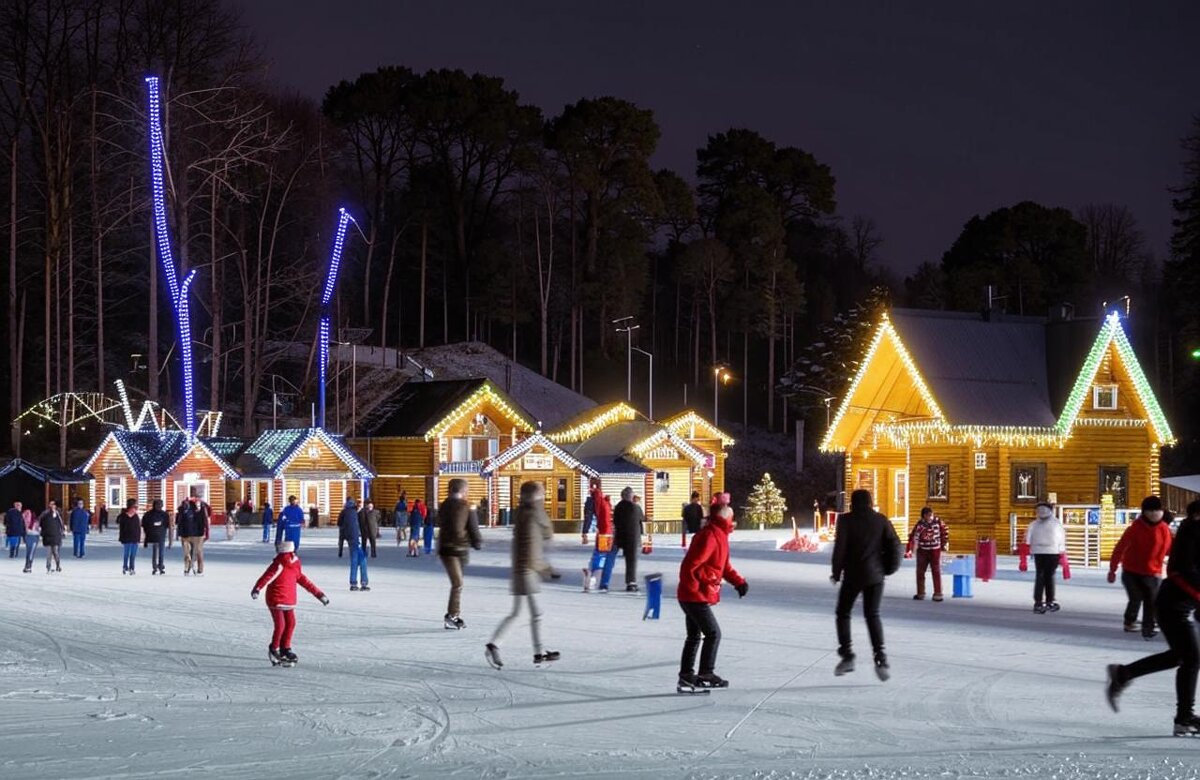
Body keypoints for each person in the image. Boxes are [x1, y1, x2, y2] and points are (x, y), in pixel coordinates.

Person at [1106, 499, 1200, 737]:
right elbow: (1180, 572)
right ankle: (1184, 718)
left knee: (1181, 657)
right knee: (1190, 659)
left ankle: (1123, 674)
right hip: (1172, 604)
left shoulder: (1184, 531)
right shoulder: (1190, 533)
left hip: (1180, 603)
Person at [486, 481, 560, 669]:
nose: (544, 497)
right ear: (535, 497)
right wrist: (546, 568)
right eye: (542, 494)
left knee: (519, 613)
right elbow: (531, 548)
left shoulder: (525, 514)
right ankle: (535, 651)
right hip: (527, 569)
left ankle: (499, 646)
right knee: (534, 613)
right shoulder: (533, 515)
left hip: (522, 569)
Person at [831, 489, 902, 680]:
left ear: (852, 502)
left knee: (843, 613)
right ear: (870, 502)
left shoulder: (846, 521)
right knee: (872, 615)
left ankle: (847, 655)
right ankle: (880, 657)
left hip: (853, 575)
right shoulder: (881, 520)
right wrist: (889, 568)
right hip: (875, 576)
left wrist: (836, 572)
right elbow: (895, 545)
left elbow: (840, 548)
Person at [676, 503, 747, 691]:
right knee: (713, 633)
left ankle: (686, 676)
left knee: (694, 635)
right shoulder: (710, 536)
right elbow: (690, 565)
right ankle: (706, 672)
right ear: (725, 518)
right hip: (693, 595)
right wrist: (697, 587)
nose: (733, 522)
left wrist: (739, 582)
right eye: (731, 517)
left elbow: (723, 566)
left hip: (694, 594)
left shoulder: (719, 535)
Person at [252, 540, 329, 667]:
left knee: (291, 623)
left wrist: (319, 594)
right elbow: (267, 577)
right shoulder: (279, 564)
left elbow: (304, 581)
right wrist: (257, 588)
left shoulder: (294, 565)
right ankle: (274, 648)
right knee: (281, 625)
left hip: (288, 600)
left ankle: (285, 648)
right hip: (276, 599)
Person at [1108, 496, 1174, 638]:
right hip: (1132, 570)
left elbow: (1170, 550)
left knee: (1152, 599)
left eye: (1157, 511)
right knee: (1136, 597)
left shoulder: (1164, 529)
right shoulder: (1135, 528)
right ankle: (1130, 621)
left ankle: (1148, 626)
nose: (1154, 514)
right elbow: (1120, 547)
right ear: (1144, 512)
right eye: (1150, 511)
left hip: (1153, 571)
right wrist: (1112, 569)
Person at [437, 479, 482, 629]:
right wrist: (477, 542)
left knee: (457, 583)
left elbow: (439, 521)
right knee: (458, 583)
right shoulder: (466, 507)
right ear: (464, 491)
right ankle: (452, 616)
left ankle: (453, 615)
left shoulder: (443, 505)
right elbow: (472, 528)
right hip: (457, 550)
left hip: (446, 549)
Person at [1025, 501, 1066, 613]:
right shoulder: (1056, 523)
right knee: (1049, 576)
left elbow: (1027, 538)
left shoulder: (1033, 524)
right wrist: (1062, 551)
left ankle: (1038, 602)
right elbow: (1061, 538)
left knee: (1040, 575)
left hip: (1038, 552)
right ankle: (1049, 601)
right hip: (1053, 552)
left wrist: (1028, 551)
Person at [601, 487, 643, 593]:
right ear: (631, 496)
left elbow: (615, 521)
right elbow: (641, 519)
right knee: (631, 560)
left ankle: (604, 582)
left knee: (610, 557)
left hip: (619, 536)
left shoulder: (618, 507)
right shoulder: (636, 508)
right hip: (632, 538)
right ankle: (631, 583)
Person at [905, 507, 949, 601]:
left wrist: (944, 544)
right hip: (923, 551)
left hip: (935, 550)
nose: (930, 517)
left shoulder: (938, 522)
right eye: (928, 515)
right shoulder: (920, 525)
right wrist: (911, 549)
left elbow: (944, 532)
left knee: (936, 571)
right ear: (924, 516)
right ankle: (920, 593)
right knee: (920, 572)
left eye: (931, 515)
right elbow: (914, 536)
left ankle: (938, 593)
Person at [583, 489, 616, 592]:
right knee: (603, 558)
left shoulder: (598, 504)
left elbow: (591, 518)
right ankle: (592, 578)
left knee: (598, 556)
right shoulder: (606, 503)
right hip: (608, 534)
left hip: (601, 534)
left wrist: (585, 532)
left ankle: (590, 575)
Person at [338, 497, 369, 591]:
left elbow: (339, 524)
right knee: (360, 561)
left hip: (350, 539)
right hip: (355, 539)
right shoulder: (354, 512)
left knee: (358, 560)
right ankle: (360, 583)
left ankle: (355, 583)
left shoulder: (344, 512)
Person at [176, 496, 209, 576]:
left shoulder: (201, 512)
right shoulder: (182, 512)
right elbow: (179, 523)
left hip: (197, 534)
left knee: (198, 552)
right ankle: (187, 568)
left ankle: (199, 570)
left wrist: (206, 533)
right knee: (188, 553)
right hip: (186, 535)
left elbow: (205, 522)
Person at [142, 499, 169, 575]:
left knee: (156, 552)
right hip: (159, 535)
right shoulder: (164, 514)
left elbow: (144, 526)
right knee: (159, 552)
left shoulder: (148, 514)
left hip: (155, 535)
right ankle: (158, 566)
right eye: (160, 504)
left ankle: (157, 566)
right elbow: (167, 525)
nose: (160, 506)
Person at [39, 501, 64, 574]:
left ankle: (58, 565)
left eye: (53, 504)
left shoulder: (58, 514)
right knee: (49, 553)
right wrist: (43, 533)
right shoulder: (45, 514)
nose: (52, 505)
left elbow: (61, 525)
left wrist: (62, 532)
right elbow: (41, 523)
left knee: (55, 552)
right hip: (48, 536)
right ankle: (48, 567)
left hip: (56, 536)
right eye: (51, 504)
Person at [118, 499, 141, 575]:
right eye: (135, 506)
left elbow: (138, 528)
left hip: (134, 538)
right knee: (127, 553)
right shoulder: (124, 516)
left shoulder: (136, 516)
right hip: (127, 538)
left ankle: (131, 567)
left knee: (132, 554)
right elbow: (121, 528)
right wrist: (121, 538)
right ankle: (125, 566)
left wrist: (139, 538)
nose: (136, 508)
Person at [21, 508, 39, 573]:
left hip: (31, 535)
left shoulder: (26, 518)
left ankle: (28, 566)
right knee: (31, 552)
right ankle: (28, 566)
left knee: (29, 552)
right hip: (33, 536)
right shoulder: (35, 521)